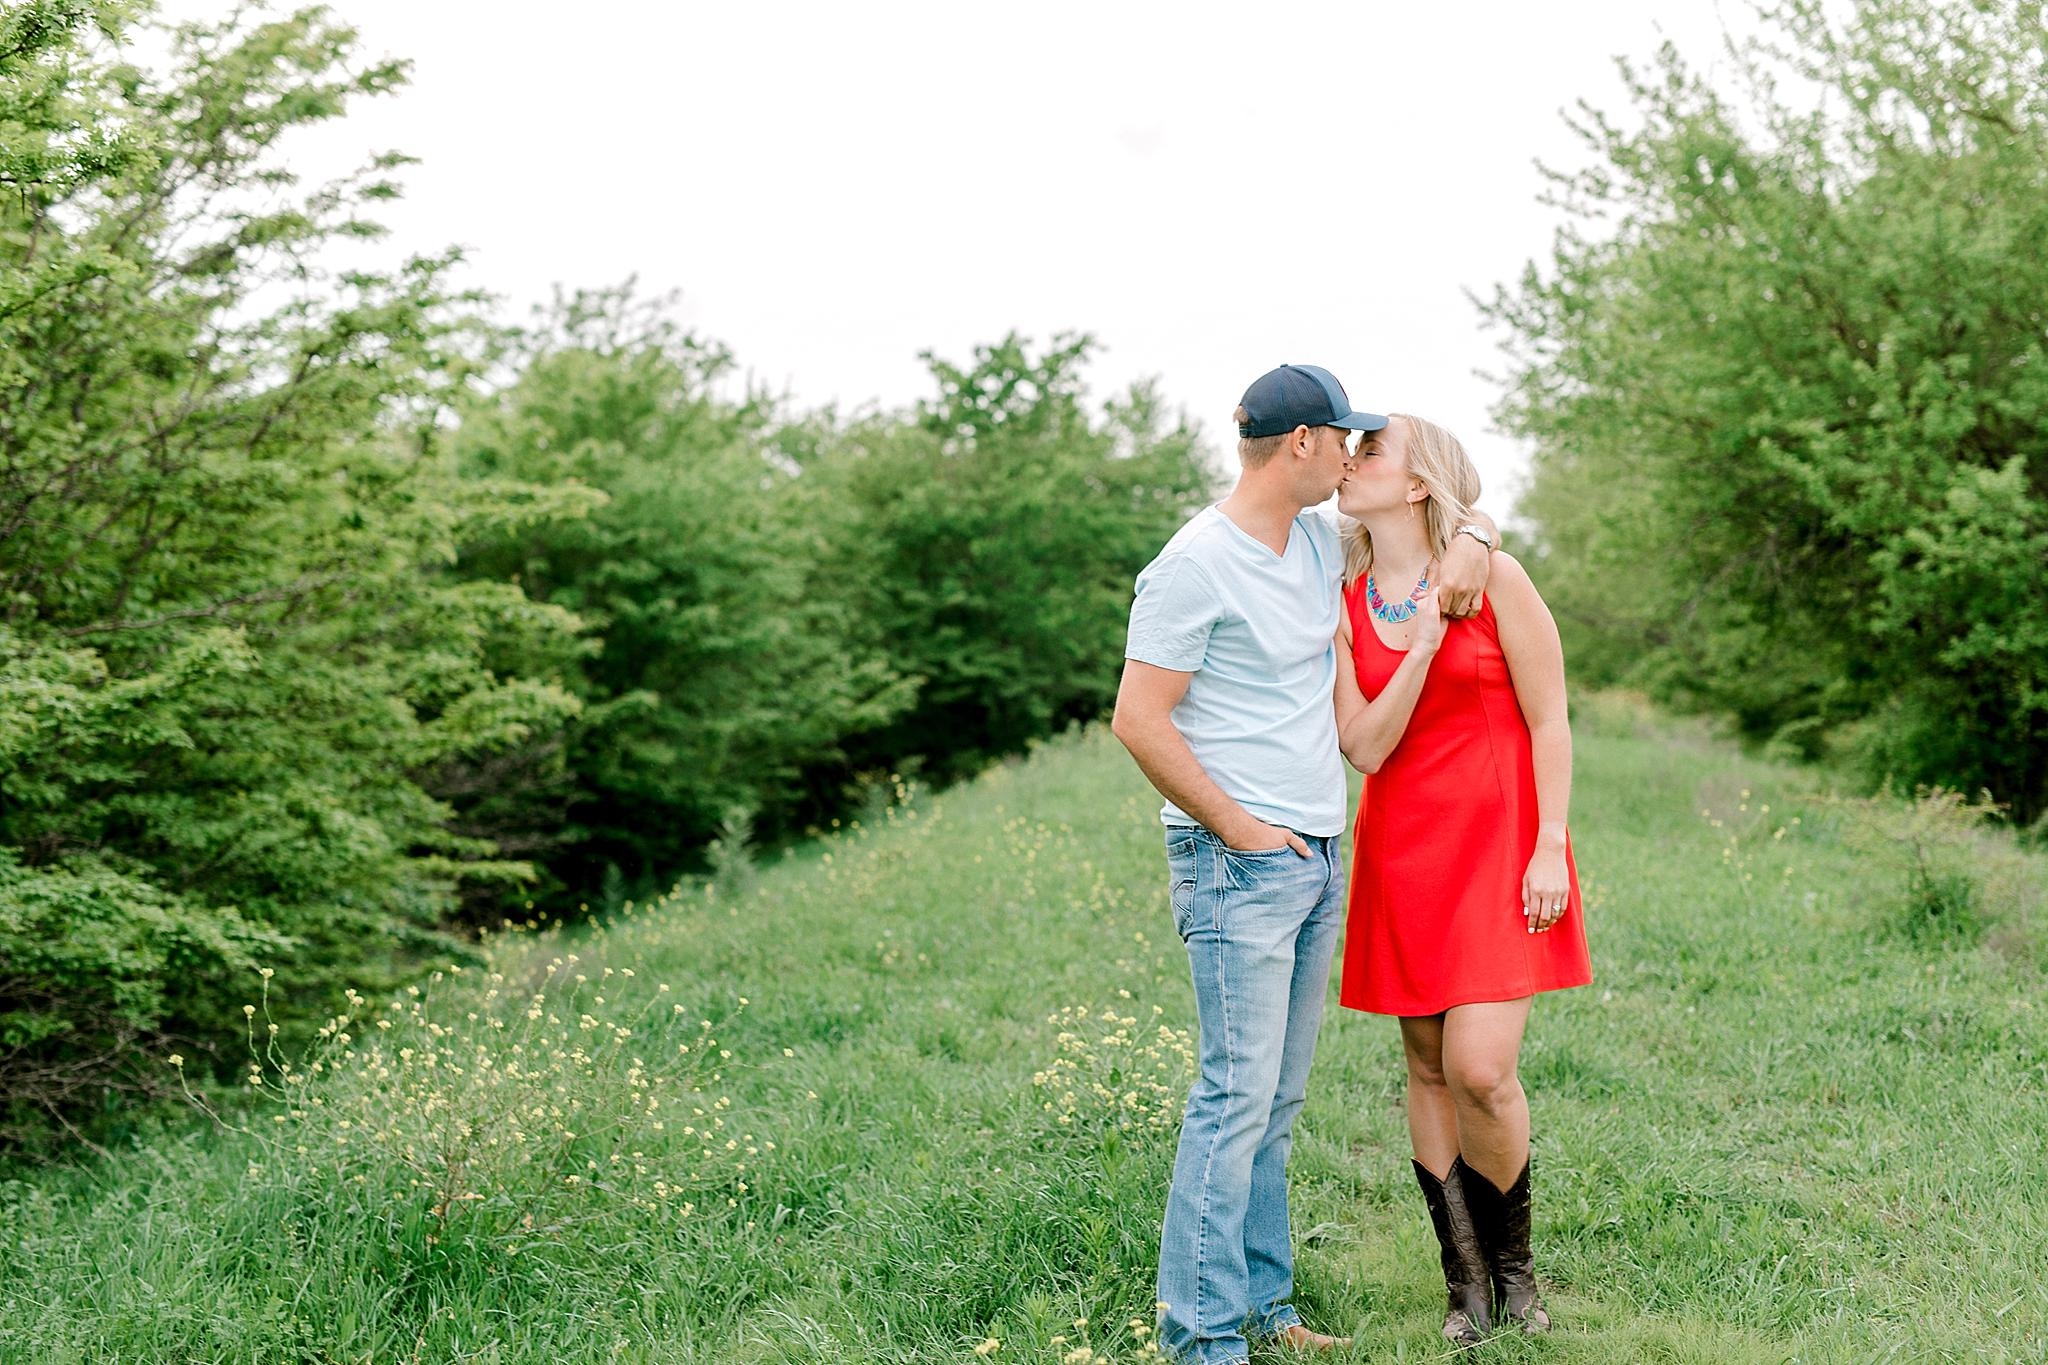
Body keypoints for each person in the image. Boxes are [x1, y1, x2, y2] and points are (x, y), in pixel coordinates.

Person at [1112, 366, 1496, 1365]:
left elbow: (1452, 524)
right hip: (1239, 861)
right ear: (1300, 446)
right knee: (1232, 1099)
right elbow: (1136, 719)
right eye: (1343, 440)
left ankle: (1265, 1312)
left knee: (1273, 1104)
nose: (1352, 457)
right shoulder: (1194, 564)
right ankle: (1199, 1340)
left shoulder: (1316, 543)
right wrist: (1238, 829)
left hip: (1316, 857)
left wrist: (1476, 535)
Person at [1330, 413, 1592, 1344]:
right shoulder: (1345, 596)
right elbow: (1361, 743)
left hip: (1500, 844)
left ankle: (1517, 1270)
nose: (1349, 461)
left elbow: (1550, 717)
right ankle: (1466, 1285)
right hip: (1402, 849)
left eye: (1371, 451)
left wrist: (1550, 839)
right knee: (1426, 1065)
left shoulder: (1495, 574)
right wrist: (1425, 646)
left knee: (1482, 1068)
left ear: (1417, 484)